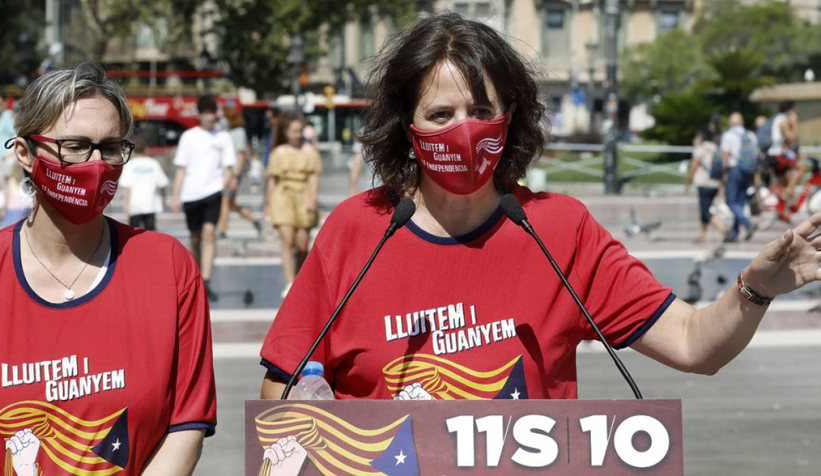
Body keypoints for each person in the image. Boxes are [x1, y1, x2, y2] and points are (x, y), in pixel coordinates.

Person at [258, 13, 821, 403]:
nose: (463, 130)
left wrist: (755, 289)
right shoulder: (356, 230)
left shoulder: (560, 228)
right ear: (406, 130)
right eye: (440, 114)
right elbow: (280, 386)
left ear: (512, 117)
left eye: (482, 109)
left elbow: (695, 344)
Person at [0, 63, 215, 476]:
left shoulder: (167, 265)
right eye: (74, 145)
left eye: (110, 147)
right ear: (25, 153)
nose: (96, 164)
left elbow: (186, 425)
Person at [171, 95, 235, 301]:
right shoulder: (189, 137)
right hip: (191, 193)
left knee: (209, 233)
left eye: (213, 112)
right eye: (206, 112)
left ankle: (207, 280)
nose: (211, 116)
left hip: (213, 191)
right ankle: (197, 275)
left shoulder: (224, 137)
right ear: (199, 114)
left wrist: (224, 186)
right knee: (195, 237)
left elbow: (228, 167)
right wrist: (175, 195)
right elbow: (181, 168)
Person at [262, 111, 322, 298]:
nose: (298, 134)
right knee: (287, 241)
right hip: (283, 196)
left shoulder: (309, 151)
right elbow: (272, 179)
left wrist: (312, 198)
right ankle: (290, 282)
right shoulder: (278, 152)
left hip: (303, 194)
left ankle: (300, 278)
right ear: (286, 132)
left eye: (300, 130)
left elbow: (313, 176)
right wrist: (268, 203)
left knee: (302, 244)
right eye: (294, 131)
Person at [217, 105, 261, 239]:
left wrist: (235, 176)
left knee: (224, 201)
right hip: (225, 173)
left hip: (233, 173)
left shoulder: (238, 132)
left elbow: (241, 155)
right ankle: (254, 220)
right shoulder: (227, 131)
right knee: (229, 204)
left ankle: (222, 231)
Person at [720, 112, 758, 242]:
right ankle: (735, 233)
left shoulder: (728, 135)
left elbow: (725, 154)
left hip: (734, 169)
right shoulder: (750, 135)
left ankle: (747, 223)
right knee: (740, 203)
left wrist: (723, 173)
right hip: (747, 171)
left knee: (730, 202)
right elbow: (755, 155)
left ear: (731, 122)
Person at [685, 127, 726, 242]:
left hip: (704, 183)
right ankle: (702, 235)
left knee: (705, 211)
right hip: (715, 183)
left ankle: (721, 227)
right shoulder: (715, 147)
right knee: (706, 209)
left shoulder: (701, 149)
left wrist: (688, 181)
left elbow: (694, 166)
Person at [119, 135, 169, 230]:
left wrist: (125, 203)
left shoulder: (130, 165)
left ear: (133, 150)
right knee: (150, 234)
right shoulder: (153, 163)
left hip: (134, 205)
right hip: (150, 204)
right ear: (146, 149)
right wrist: (164, 198)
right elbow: (162, 183)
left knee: (134, 234)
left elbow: (127, 186)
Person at [766, 101, 806, 221]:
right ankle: (789, 190)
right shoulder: (783, 120)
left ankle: (783, 211)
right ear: (790, 111)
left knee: (786, 183)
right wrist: (794, 124)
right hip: (777, 155)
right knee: (801, 168)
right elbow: (792, 139)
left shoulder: (779, 119)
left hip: (776, 156)